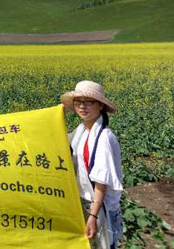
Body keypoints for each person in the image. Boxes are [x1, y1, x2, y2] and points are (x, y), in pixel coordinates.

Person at [61, 81, 123, 249]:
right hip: (84, 203)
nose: (82, 106)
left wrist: (93, 216)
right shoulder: (81, 131)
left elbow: (101, 182)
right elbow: (60, 143)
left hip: (97, 206)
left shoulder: (104, 138)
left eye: (89, 101)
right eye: (78, 101)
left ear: (100, 105)